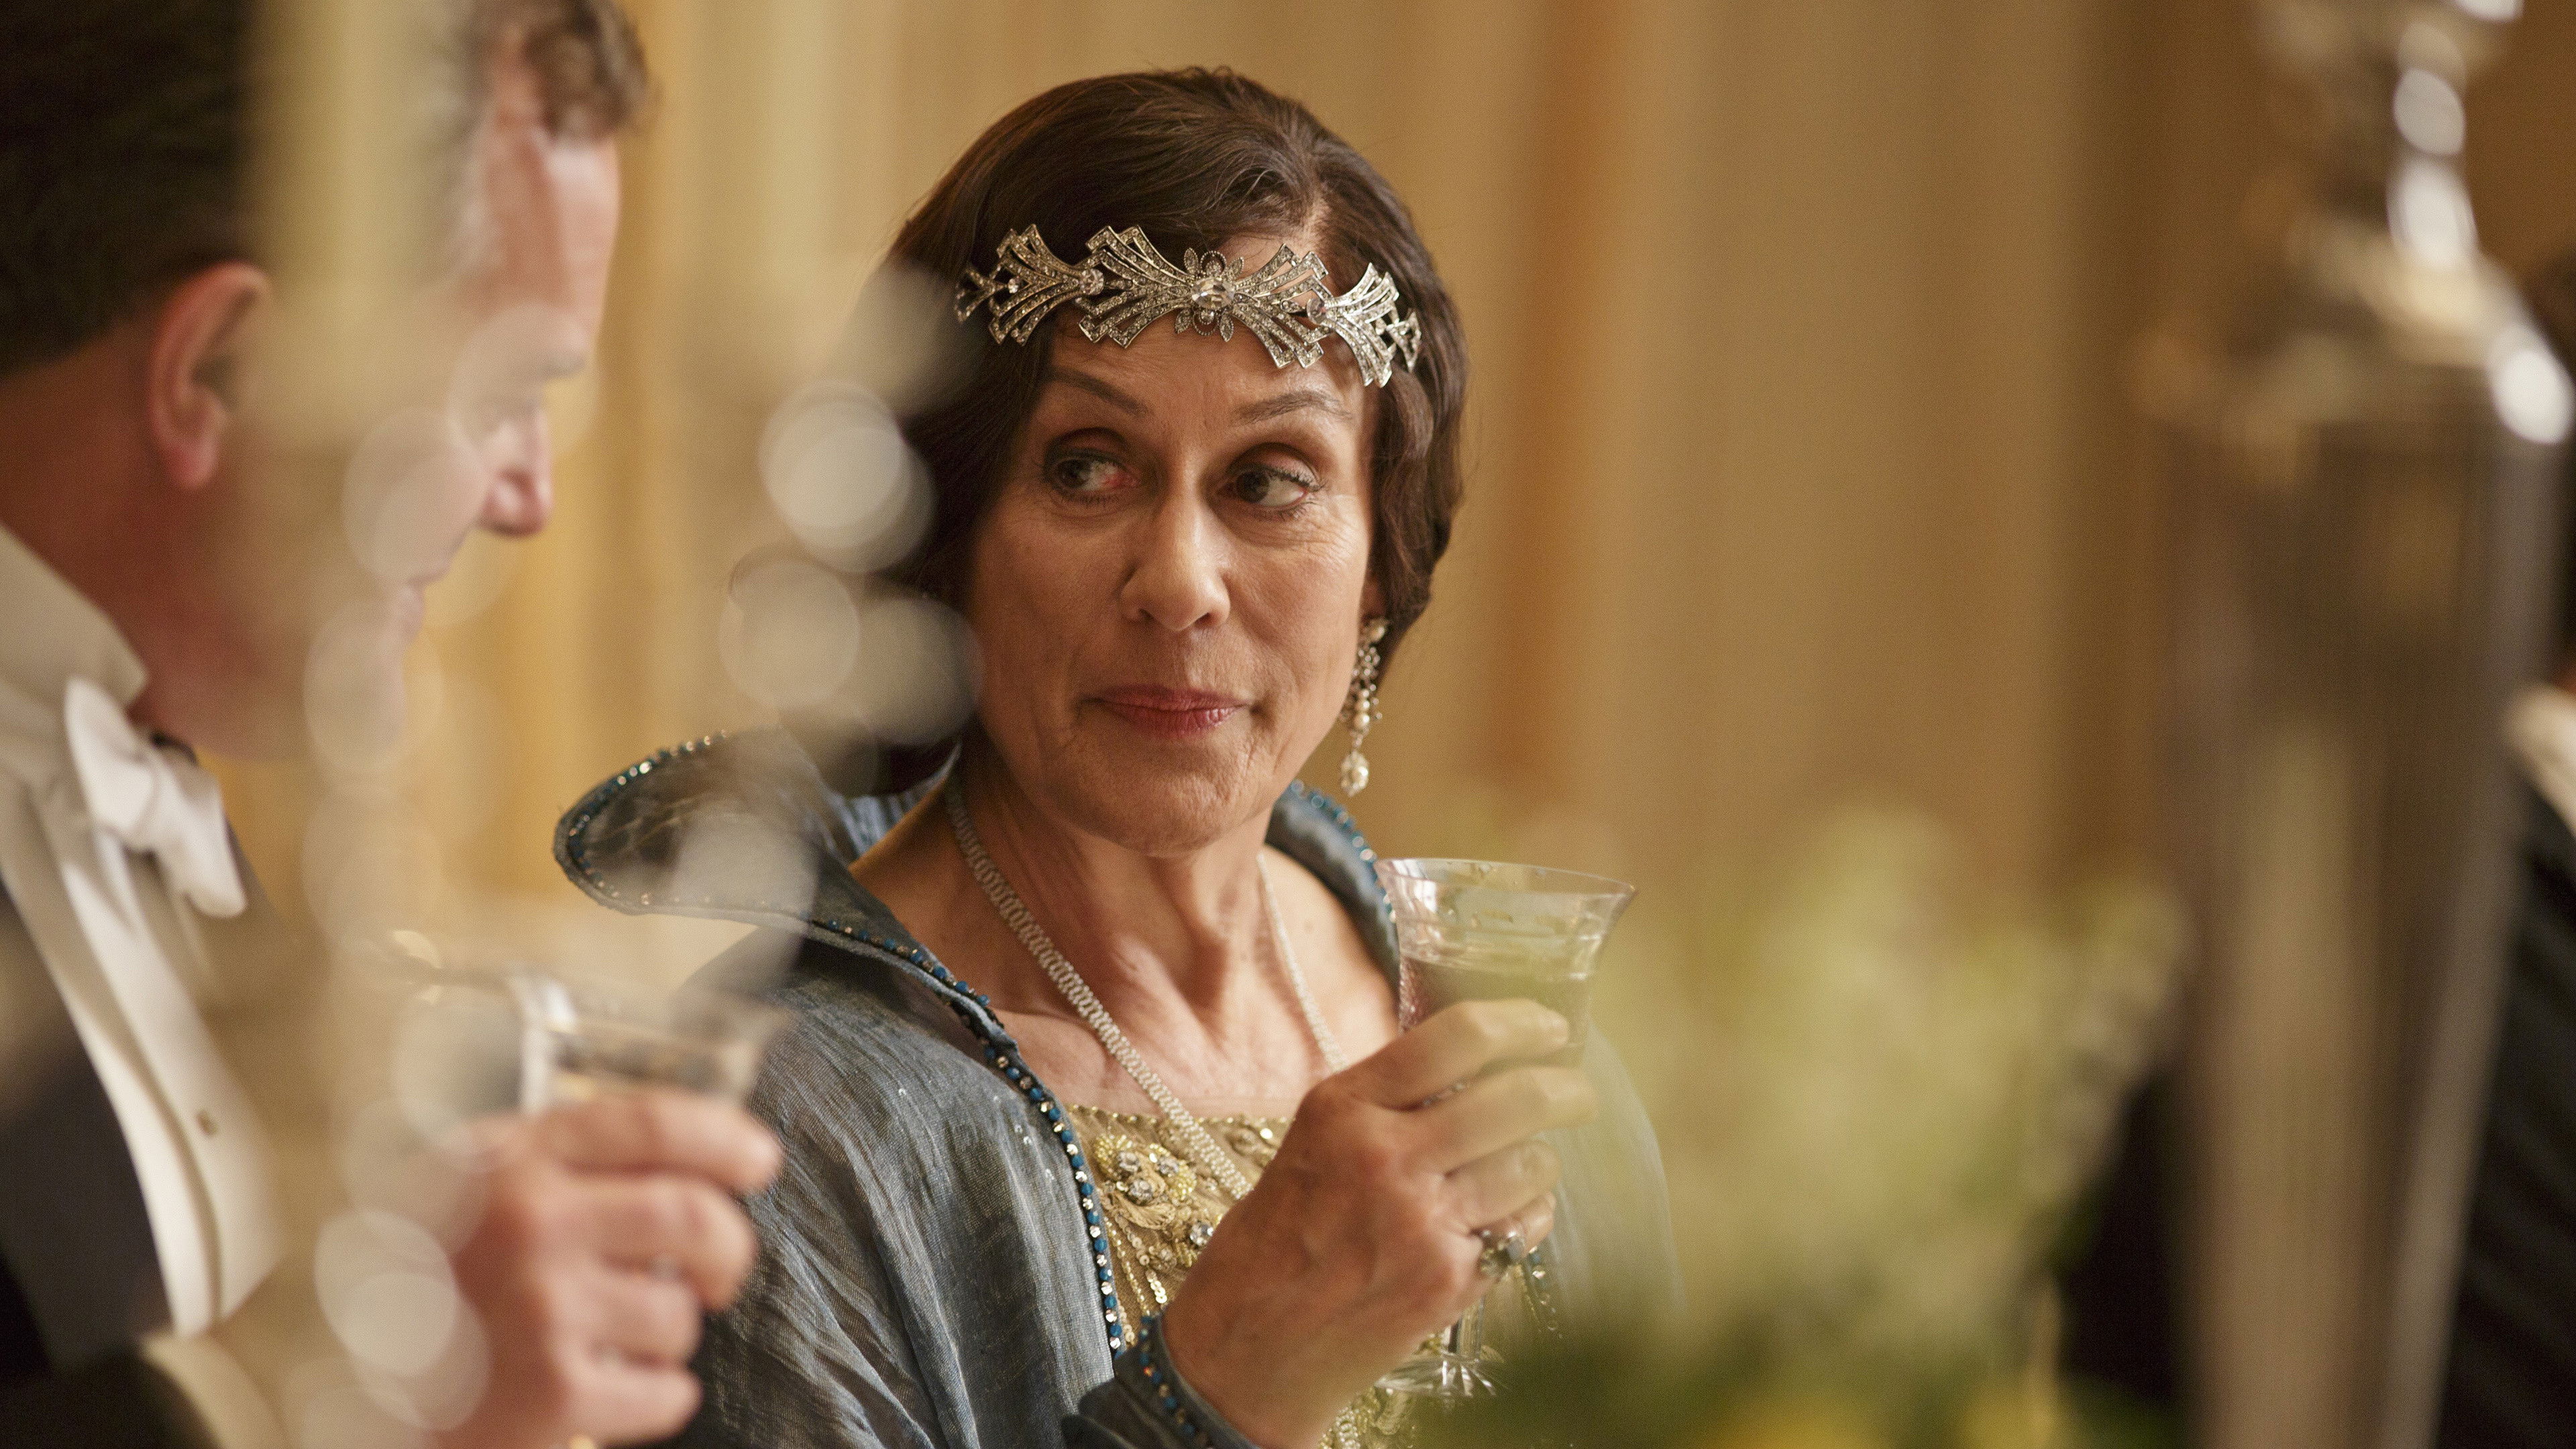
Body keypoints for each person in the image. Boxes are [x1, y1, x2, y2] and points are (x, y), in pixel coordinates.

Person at [555, 69, 1678, 1449]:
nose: (1180, 583)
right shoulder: (772, 1132)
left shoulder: (1506, 1049)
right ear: (946, 532)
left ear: (1381, 568)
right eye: (1087, 466)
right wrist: (1219, 1394)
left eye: (1268, 481)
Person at [0, 3, 779, 1446]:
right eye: (504, 393)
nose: (530, 497)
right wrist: (253, 1403)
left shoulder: (177, 821)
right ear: (217, 369)